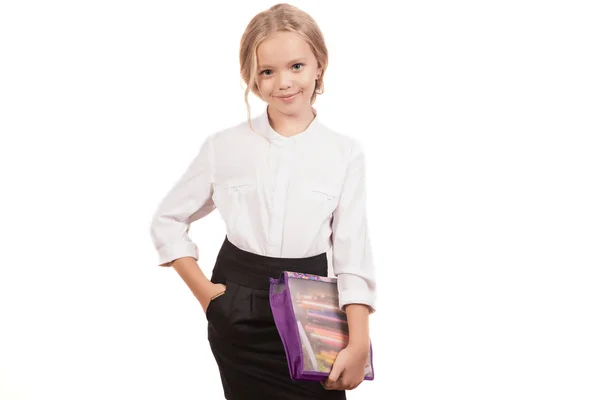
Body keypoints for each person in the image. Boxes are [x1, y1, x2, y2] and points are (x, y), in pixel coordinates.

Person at [149, 3, 376, 399]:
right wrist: (208, 297)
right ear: (251, 78)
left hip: (314, 310)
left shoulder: (344, 153)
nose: (283, 82)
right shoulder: (224, 146)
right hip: (238, 307)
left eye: (296, 66)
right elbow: (167, 219)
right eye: (267, 72)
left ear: (319, 64)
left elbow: (352, 253)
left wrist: (358, 342)